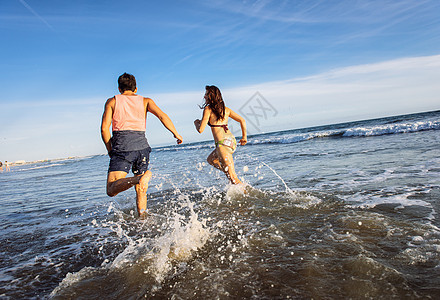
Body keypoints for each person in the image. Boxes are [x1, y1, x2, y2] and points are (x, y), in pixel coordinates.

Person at [101, 73, 183, 217]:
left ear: (119, 88)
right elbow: (162, 116)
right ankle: (143, 218)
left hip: (123, 146)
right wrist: (176, 133)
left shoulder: (112, 101)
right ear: (136, 88)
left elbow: (104, 128)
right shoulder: (146, 101)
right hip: (142, 148)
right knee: (141, 189)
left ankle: (138, 179)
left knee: (111, 189)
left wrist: (110, 150)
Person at [194, 85, 247, 184]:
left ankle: (248, 194)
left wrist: (196, 123)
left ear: (211, 96)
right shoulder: (226, 109)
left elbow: (201, 129)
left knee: (233, 178)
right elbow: (242, 120)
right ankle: (228, 172)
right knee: (211, 160)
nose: (204, 96)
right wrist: (244, 137)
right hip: (231, 142)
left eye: (206, 94)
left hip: (222, 144)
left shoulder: (208, 109)